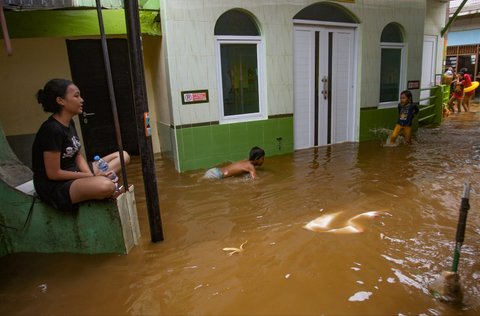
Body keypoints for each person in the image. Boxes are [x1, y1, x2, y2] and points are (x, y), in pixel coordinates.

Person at [32, 78, 130, 212]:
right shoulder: (51, 130)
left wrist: (88, 173)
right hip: (56, 185)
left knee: (123, 156)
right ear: (60, 101)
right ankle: (97, 185)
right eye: (76, 96)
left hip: (75, 171)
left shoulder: (69, 123)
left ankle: (94, 183)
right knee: (107, 186)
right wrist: (90, 177)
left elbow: (76, 154)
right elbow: (53, 173)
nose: (82, 100)